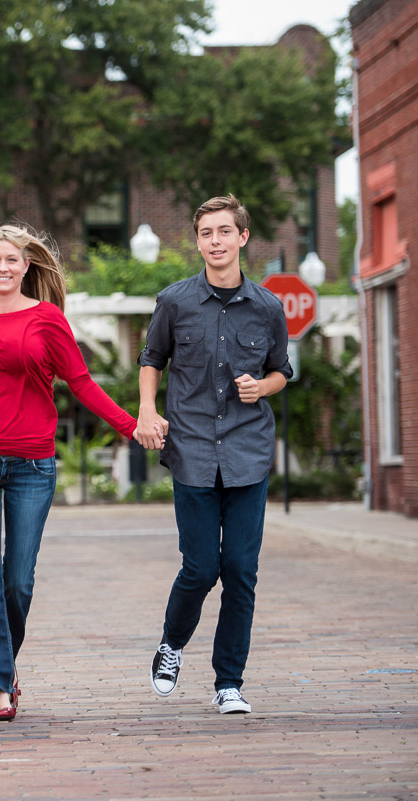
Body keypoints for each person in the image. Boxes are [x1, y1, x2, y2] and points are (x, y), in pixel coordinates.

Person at [0, 224, 150, 721]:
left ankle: (3, 661)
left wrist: (131, 425)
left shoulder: (47, 319)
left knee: (19, 581)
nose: (2, 268)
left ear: (27, 265)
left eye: (11, 260)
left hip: (34, 464)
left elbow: (80, 383)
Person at [137, 194, 291, 715]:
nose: (216, 241)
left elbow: (281, 370)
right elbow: (152, 359)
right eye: (206, 233)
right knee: (201, 567)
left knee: (241, 569)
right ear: (198, 240)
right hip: (194, 448)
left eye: (225, 231)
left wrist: (262, 389)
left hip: (248, 451)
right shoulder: (175, 301)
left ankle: (229, 682)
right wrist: (146, 410)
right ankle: (172, 645)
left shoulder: (268, 307)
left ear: (243, 237)